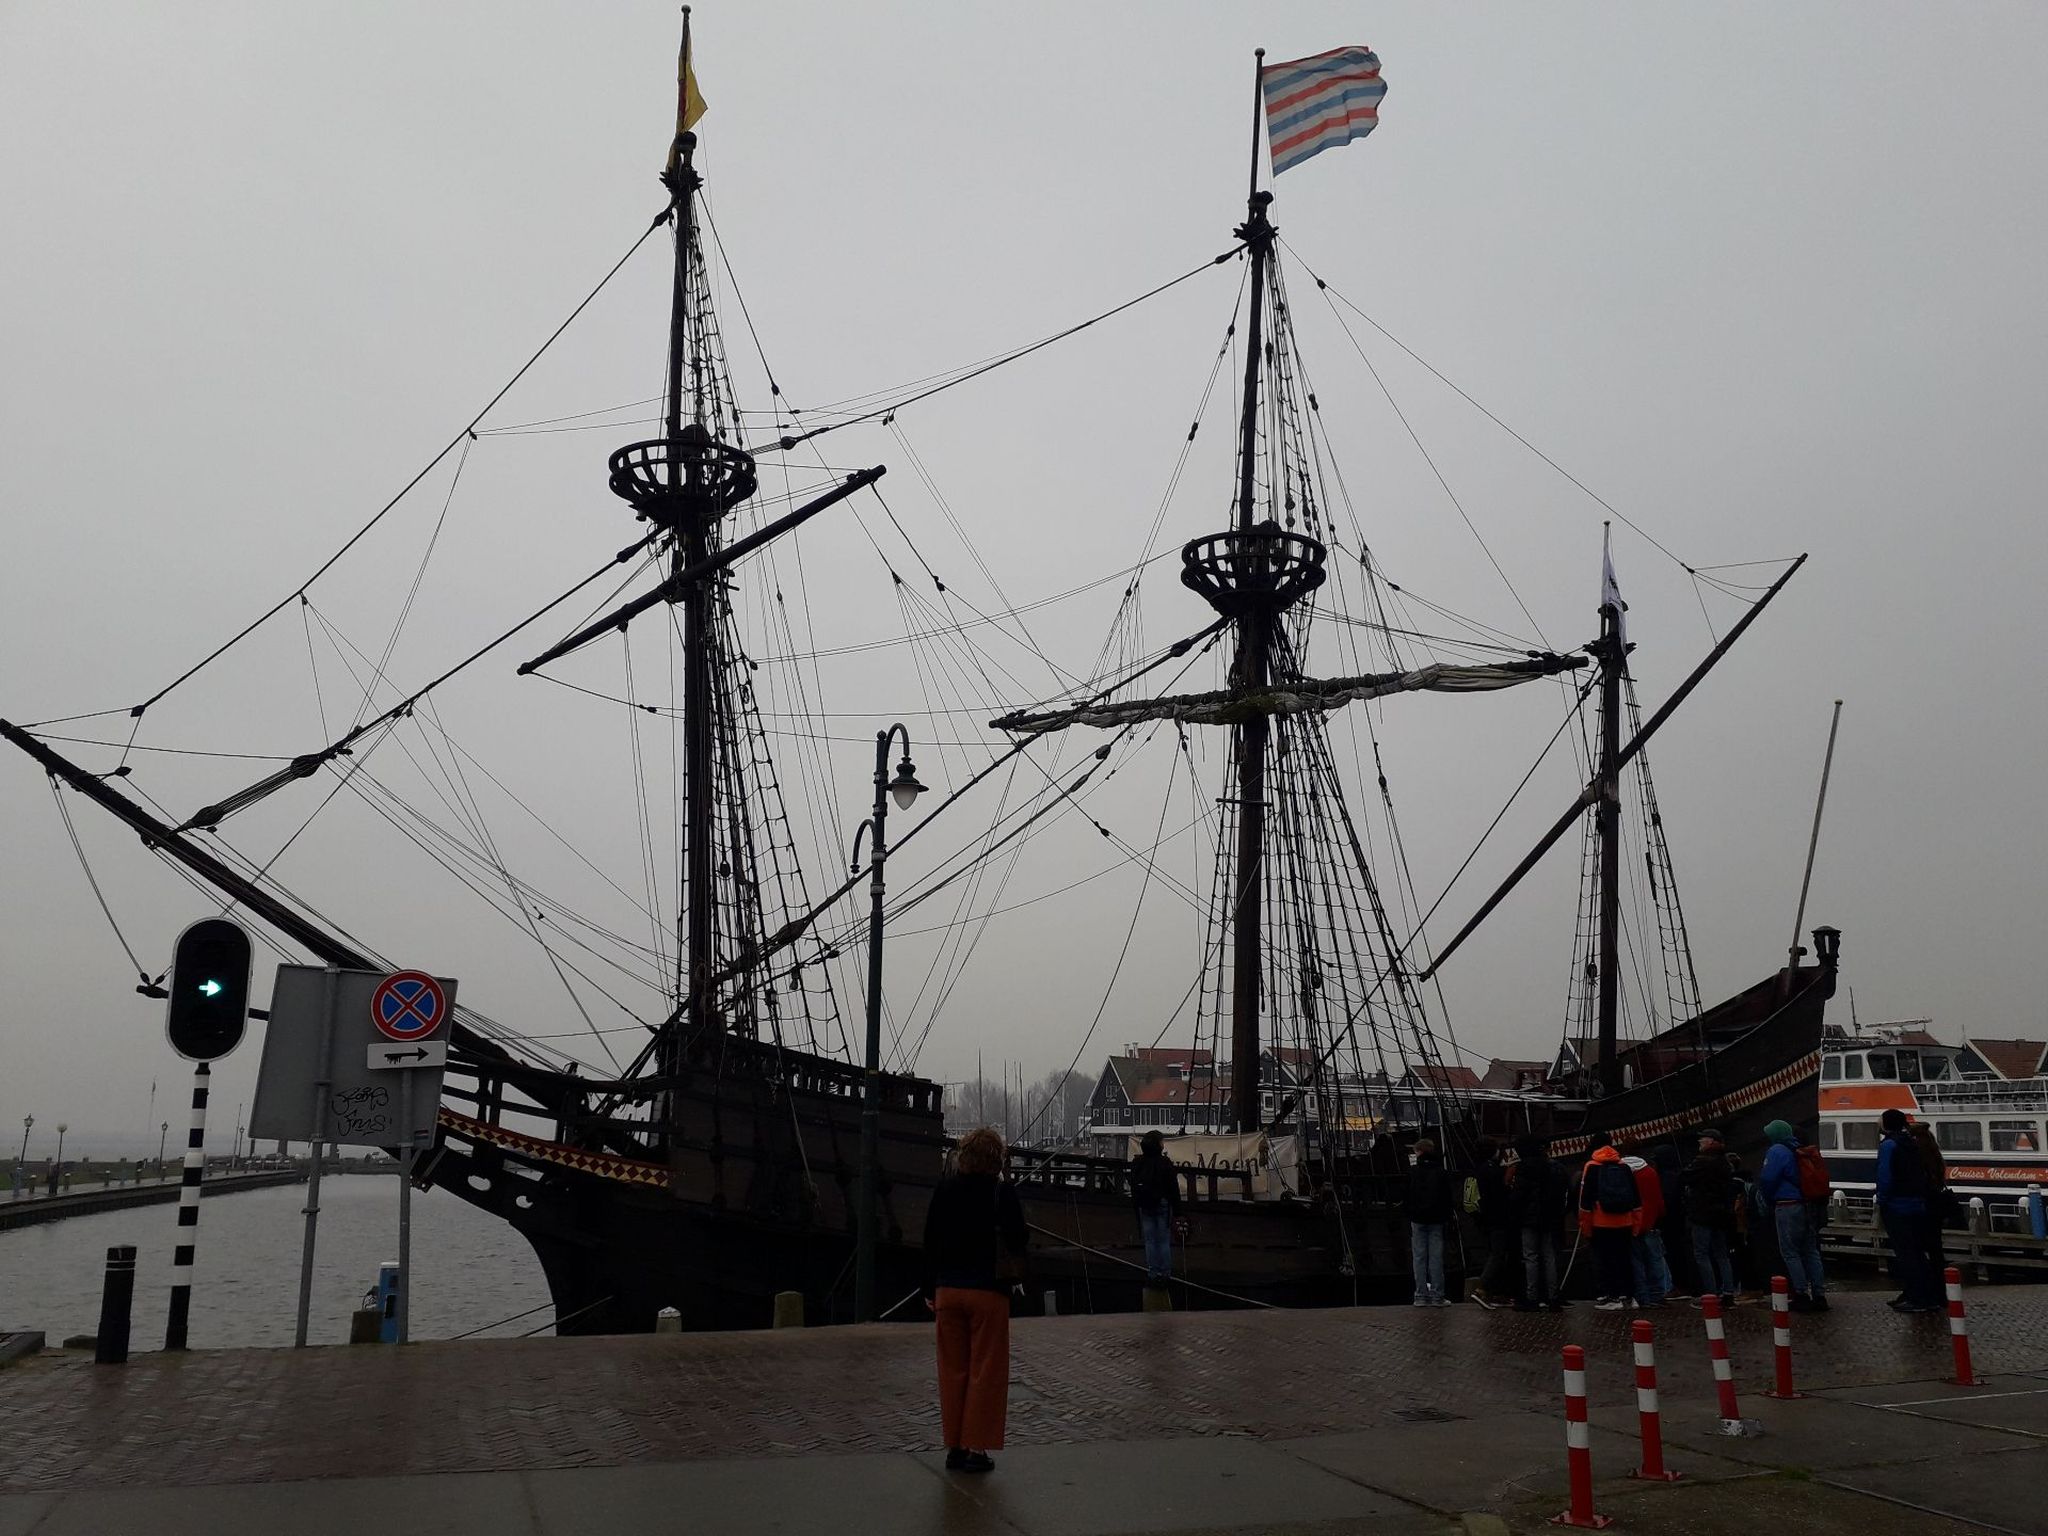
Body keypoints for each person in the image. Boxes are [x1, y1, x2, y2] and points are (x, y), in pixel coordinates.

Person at [923, 1126, 1028, 1473]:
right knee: (986, 1370)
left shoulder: (945, 1189)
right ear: (997, 1159)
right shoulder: (1002, 1192)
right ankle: (976, 1449)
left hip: (948, 1289)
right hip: (988, 1290)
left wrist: (929, 1288)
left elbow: (930, 1240)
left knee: (952, 1370)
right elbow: (1018, 1239)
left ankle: (953, 1446)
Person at [1757, 1120, 1828, 1311]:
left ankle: (1801, 1294)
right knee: (1811, 1251)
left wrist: (1767, 1199)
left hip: (1787, 1205)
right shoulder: (1799, 1149)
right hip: (1807, 1204)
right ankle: (1820, 1295)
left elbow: (1768, 1179)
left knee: (1790, 1252)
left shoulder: (1777, 1151)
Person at [1877, 1109, 1940, 1312]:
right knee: (1917, 1252)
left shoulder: (1888, 1145)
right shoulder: (1911, 1142)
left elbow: (1885, 1176)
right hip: (1916, 1203)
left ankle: (1917, 1298)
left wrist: (1882, 1199)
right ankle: (1925, 1294)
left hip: (1896, 1204)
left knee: (1905, 1253)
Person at [1578, 1139, 1642, 1309]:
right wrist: (1636, 1225)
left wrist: (1586, 1227)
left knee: (1605, 1260)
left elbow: (1585, 1200)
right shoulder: (1624, 1167)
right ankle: (1629, 1296)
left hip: (1601, 1221)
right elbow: (1635, 1198)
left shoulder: (1591, 1167)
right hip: (1625, 1220)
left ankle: (1612, 1297)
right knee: (1624, 1259)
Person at [1510, 1134, 1568, 1312]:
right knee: (1549, 1256)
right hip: (1548, 1217)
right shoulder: (1550, 1166)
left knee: (1531, 1257)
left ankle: (1532, 1297)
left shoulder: (1522, 1168)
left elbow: (1518, 1196)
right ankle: (1553, 1297)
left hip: (1528, 1218)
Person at [1682, 1129, 1739, 1308]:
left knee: (1702, 1254)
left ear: (1711, 1142)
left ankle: (1710, 1295)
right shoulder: (1725, 1163)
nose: (1700, 1142)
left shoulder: (1702, 1162)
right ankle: (1728, 1293)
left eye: (1703, 1139)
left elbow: (1685, 1177)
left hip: (1702, 1214)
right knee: (1722, 1254)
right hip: (1721, 1215)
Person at [1403, 1136, 1455, 1306]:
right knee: (1436, 1258)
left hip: (1417, 1219)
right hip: (1437, 1219)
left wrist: (1409, 1213)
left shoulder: (1413, 1172)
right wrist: (1447, 1216)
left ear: (1419, 1152)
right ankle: (1437, 1295)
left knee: (1419, 1257)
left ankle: (1420, 1295)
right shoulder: (1441, 1172)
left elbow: (1406, 1195)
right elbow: (1448, 1197)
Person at [1469, 1139, 1520, 1308]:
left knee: (1497, 1253)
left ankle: (1498, 1293)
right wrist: (1508, 1177)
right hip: (1499, 1218)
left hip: (1488, 1219)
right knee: (1498, 1254)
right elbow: (1500, 1192)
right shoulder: (1491, 1170)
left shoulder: (1480, 1168)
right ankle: (1481, 1289)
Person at [1128, 1129, 1181, 1286]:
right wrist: (1178, 1209)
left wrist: (1136, 1203)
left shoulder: (1138, 1162)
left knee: (1150, 1240)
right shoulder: (1164, 1163)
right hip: (1162, 1203)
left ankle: (1153, 1272)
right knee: (1163, 1240)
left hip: (1145, 1204)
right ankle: (1165, 1273)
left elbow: (1133, 1184)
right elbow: (1173, 1187)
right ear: (1159, 1145)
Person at [1621, 1145, 1672, 1307]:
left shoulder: (1620, 1171)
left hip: (1630, 1222)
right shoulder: (1649, 1172)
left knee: (1636, 1261)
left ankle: (1641, 1296)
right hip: (1650, 1221)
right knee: (1655, 1259)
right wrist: (1660, 1214)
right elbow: (1658, 1198)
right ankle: (1657, 1294)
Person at [1907, 1120, 1952, 1291]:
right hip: (1936, 1205)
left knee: (1916, 1248)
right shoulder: (1935, 1155)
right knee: (1935, 1248)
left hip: (1922, 1206)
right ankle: (1941, 1285)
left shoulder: (1917, 1157)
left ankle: (1923, 1287)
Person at [1652, 1143, 1695, 1297]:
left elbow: (1668, 1199)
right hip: (1680, 1219)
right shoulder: (1678, 1174)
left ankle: (1680, 1285)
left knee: (1674, 1253)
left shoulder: (1666, 1178)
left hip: (1670, 1221)